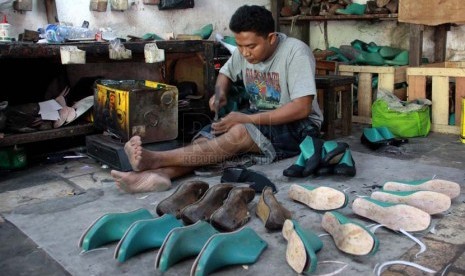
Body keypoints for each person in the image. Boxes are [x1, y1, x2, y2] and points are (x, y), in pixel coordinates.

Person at [110, 5, 323, 193]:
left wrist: (246, 120)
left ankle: (156, 160)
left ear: (271, 38)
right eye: (240, 46)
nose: (245, 53)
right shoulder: (243, 51)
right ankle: (163, 174)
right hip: (260, 116)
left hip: (299, 126)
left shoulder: (296, 52)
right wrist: (220, 93)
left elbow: (302, 108)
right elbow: (226, 73)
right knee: (213, 135)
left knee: (239, 132)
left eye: (251, 47)